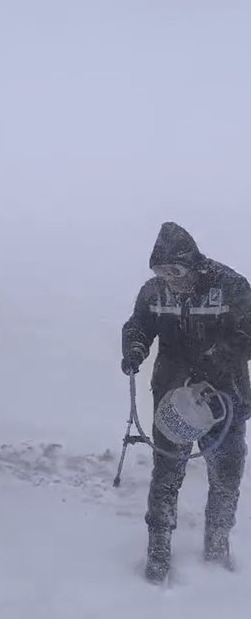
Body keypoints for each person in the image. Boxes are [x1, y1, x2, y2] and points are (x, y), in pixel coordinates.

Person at [121, 221, 251, 583]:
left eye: (175, 270)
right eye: (161, 272)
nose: (169, 279)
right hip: (173, 398)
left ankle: (217, 547)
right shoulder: (152, 293)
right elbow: (138, 325)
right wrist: (134, 347)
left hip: (224, 399)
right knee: (165, 474)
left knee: (225, 475)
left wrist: (217, 357)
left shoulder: (231, 286)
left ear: (191, 264)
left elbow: (249, 334)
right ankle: (158, 554)